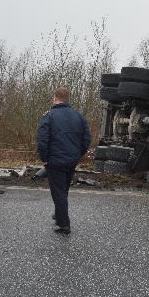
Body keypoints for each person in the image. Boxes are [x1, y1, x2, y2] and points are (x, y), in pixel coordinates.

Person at [36, 87, 91, 234]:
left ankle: (63, 224)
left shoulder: (49, 116)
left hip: (55, 161)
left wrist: (45, 159)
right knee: (64, 189)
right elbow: (87, 139)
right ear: (67, 99)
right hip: (71, 161)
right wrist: (78, 154)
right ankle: (59, 213)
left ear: (55, 98)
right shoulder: (78, 116)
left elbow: (42, 140)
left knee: (58, 191)